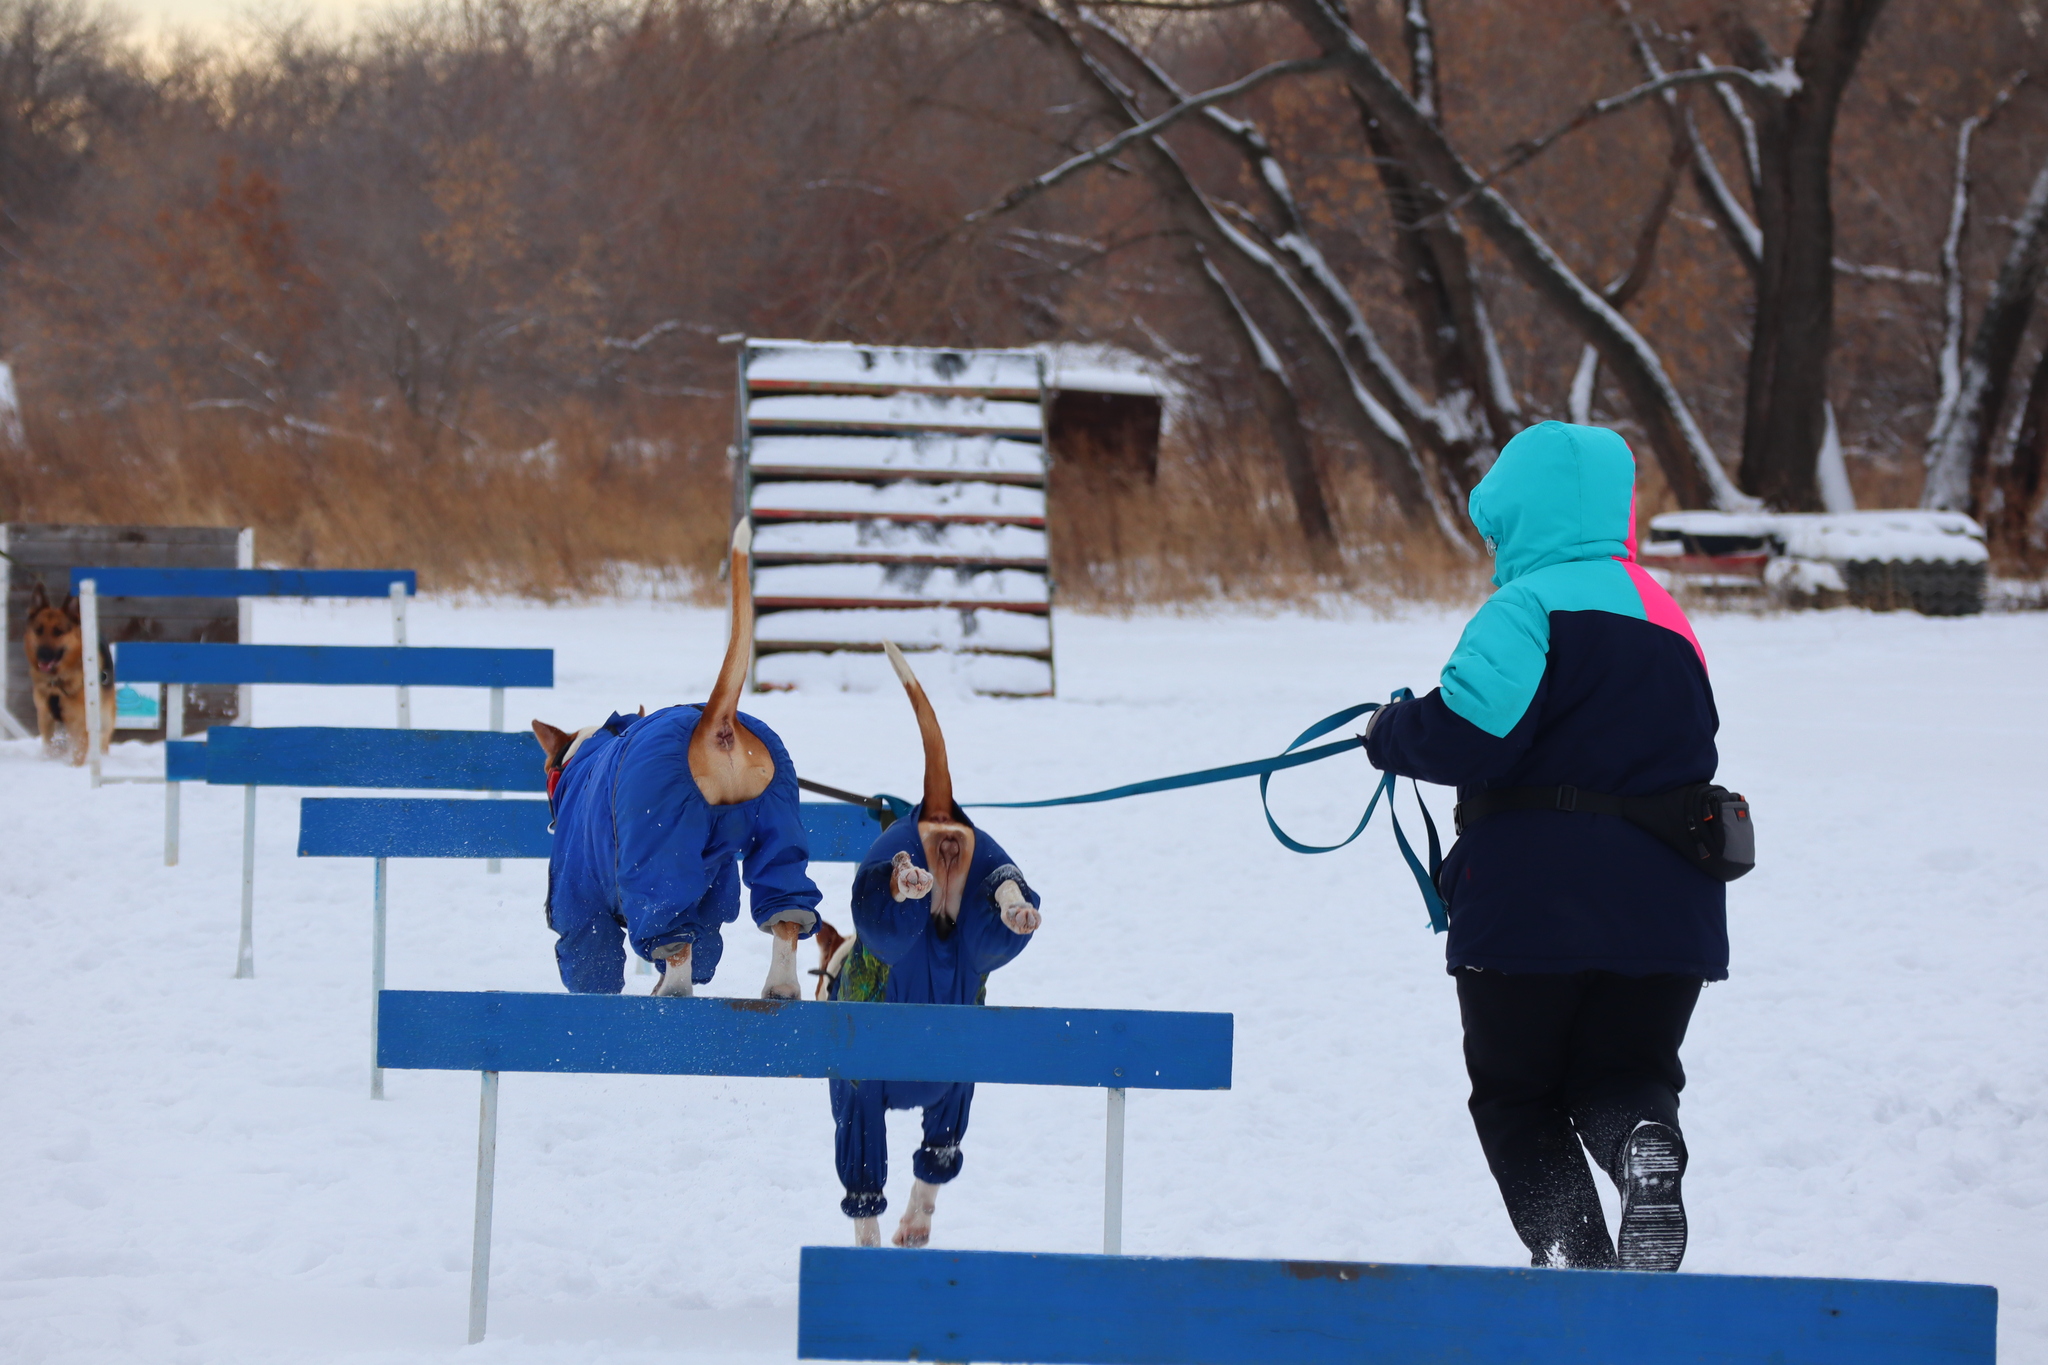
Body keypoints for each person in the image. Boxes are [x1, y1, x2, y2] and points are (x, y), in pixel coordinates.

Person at [1363, 420, 1727, 1272]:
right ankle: (1641, 1139)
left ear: (1521, 514)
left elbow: (1466, 734)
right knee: (1624, 1070)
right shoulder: (1669, 615)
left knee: (1518, 1097)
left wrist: (1388, 731)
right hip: (1670, 910)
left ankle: (1576, 1261)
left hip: (1531, 909)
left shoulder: (1525, 605)